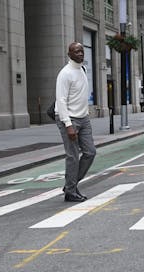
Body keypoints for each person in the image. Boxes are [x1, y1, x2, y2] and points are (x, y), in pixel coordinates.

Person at [55, 42, 96, 202]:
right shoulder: (65, 74)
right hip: (69, 119)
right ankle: (70, 192)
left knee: (90, 152)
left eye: (81, 51)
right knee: (72, 156)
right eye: (76, 51)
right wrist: (68, 124)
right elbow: (61, 100)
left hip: (83, 118)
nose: (80, 53)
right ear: (69, 54)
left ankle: (70, 185)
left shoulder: (83, 69)